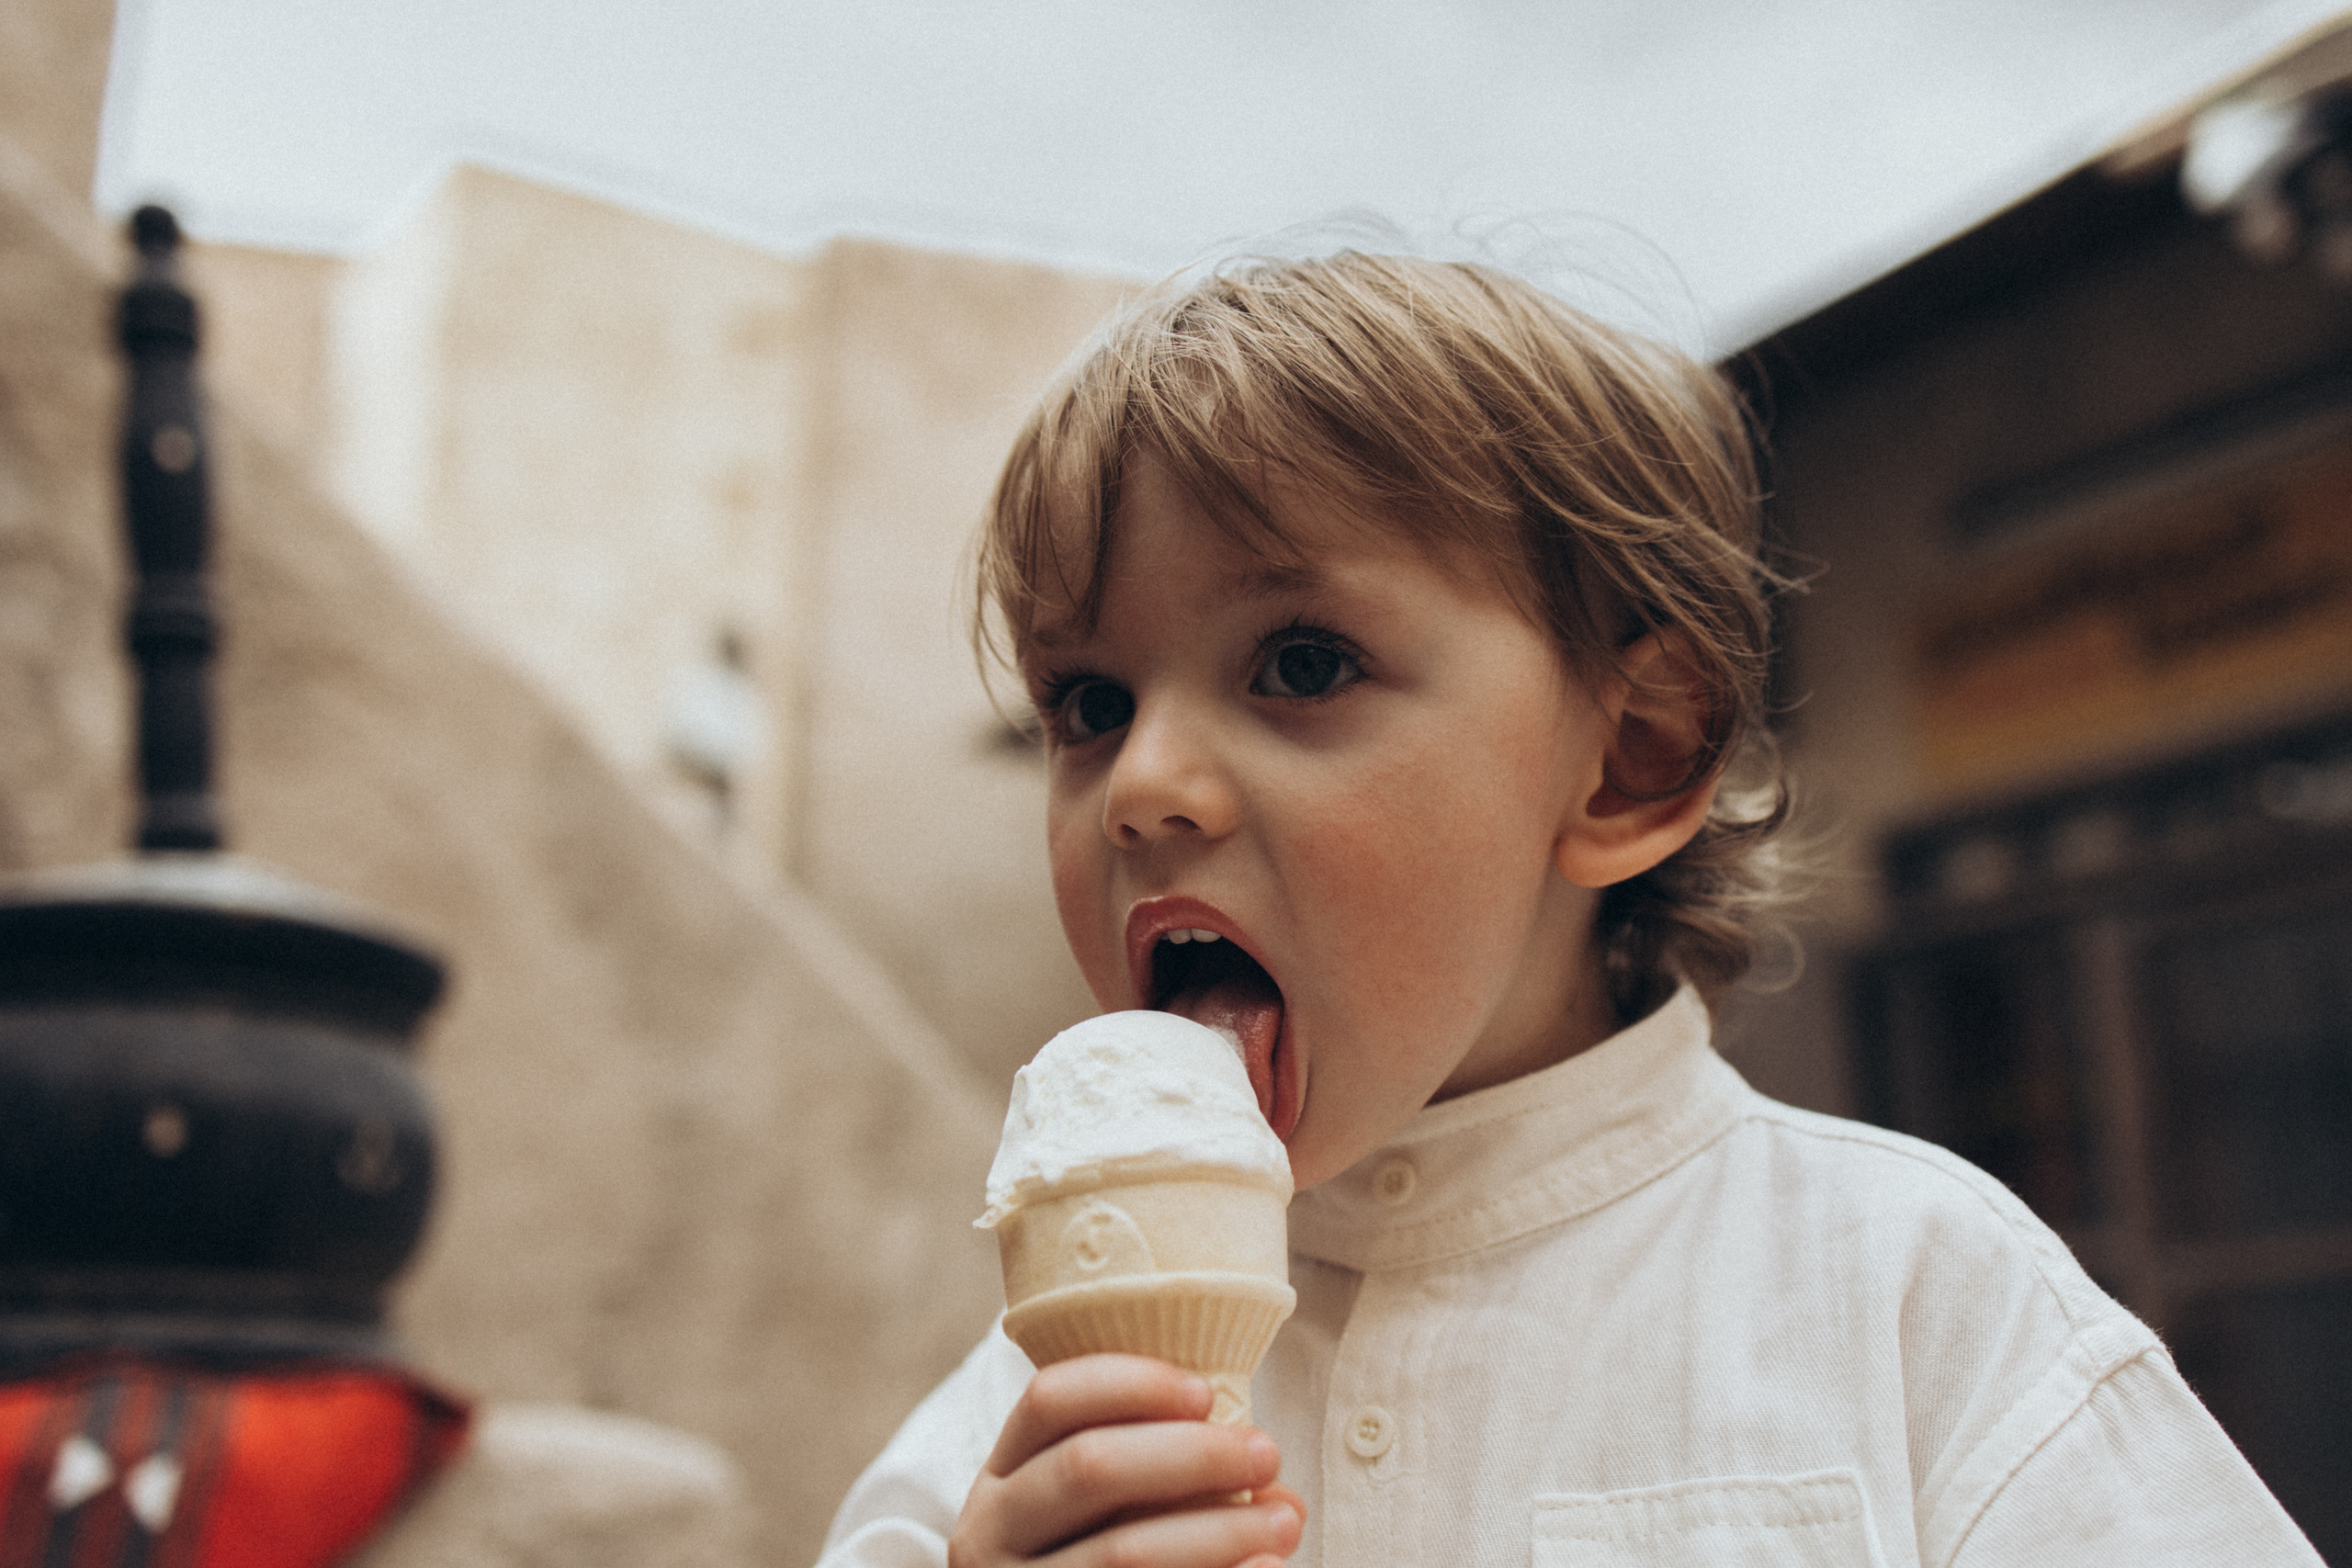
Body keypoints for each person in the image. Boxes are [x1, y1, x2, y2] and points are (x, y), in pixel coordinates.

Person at [817, 253, 2321, 1567]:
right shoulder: (1017, 1438)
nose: (1143, 781)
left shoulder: (1912, 1301)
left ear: (1632, 756)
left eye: (1301, 663)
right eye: (1089, 699)